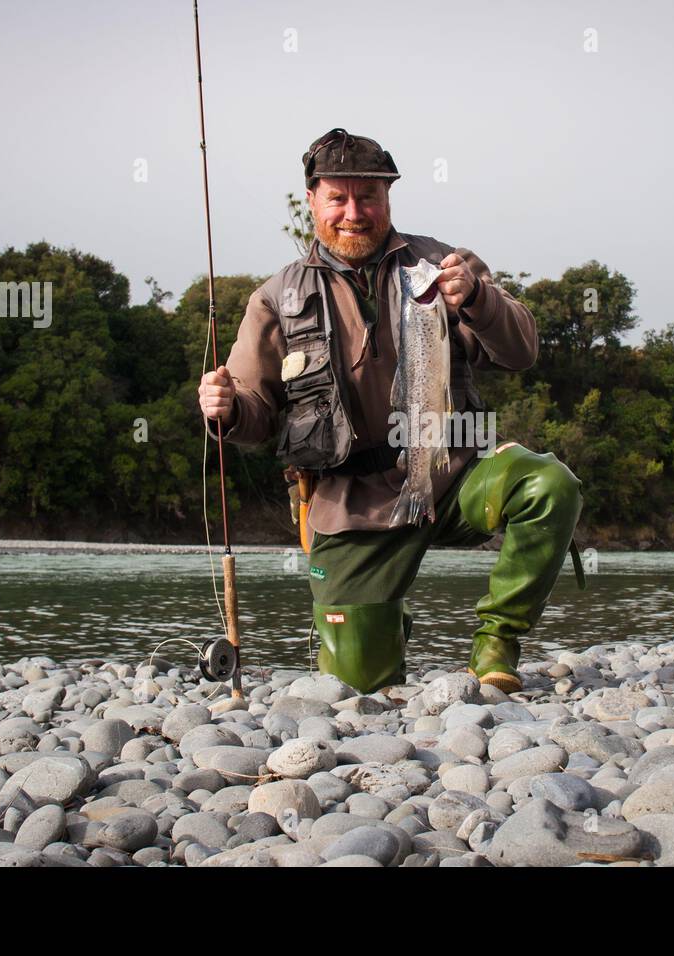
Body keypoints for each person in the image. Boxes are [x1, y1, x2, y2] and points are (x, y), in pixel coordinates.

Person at [198, 127, 585, 695]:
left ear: (388, 198)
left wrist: (478, 297)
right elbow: (258, 416)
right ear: (312, 200)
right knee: (358, 691)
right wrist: (226, 411)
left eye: (370, 196)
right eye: (338, 197)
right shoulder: (274, 298)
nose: (354, 212)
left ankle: (498, 639)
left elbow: (521, 350)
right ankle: (384, 622)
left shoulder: (442, 264)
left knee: (550, 484)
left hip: (452, 477)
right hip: (350, 504)